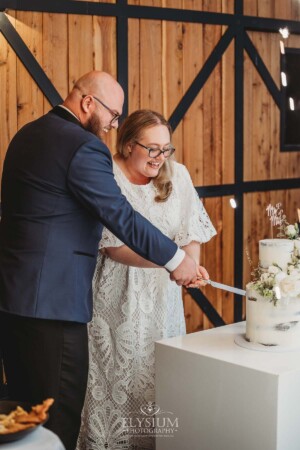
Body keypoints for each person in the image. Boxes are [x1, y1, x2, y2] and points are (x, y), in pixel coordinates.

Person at [0, 72, 208, 450]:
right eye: (113, 116)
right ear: (87, 103)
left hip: (13, 302)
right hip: (54, 306)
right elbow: (120, 216)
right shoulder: (83, 146)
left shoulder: (26, 135)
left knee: (24, 417)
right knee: (58, 418)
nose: (113, 127)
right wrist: (176, 259)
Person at [76, 110, 216, 450]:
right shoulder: (107, 175)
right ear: (127, 145)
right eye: (151, 149)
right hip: (114, 298)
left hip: (162, 301)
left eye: (166, 149)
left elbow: (190, 230)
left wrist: (190, 267)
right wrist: (173, 265)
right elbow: (112, 247)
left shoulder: (177, 174)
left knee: (158, 379)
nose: (160, 158)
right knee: (114, 380)